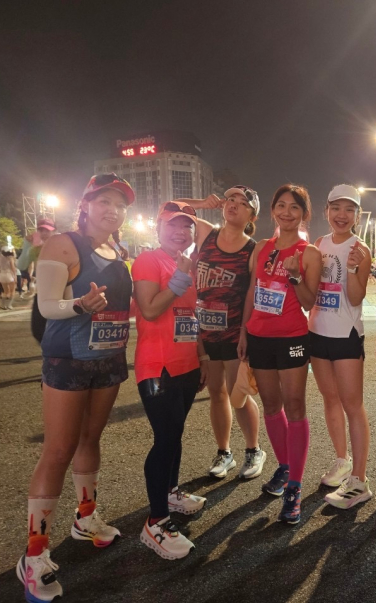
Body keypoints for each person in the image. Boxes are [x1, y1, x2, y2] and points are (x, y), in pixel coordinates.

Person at [17, 174, 134, 603]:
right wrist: (81, 304)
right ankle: (34, 553)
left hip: (108, 358)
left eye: (119, 205)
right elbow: (47, 305)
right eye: (104, 201)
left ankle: (85, 517)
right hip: (67, 360)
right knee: (58, 449)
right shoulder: (63, 245)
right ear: (85, 205)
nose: (112, 210)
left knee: (90, 439)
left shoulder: (119, 252)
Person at [238, 184, 322, 525]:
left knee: (295, 405)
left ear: (304, 214)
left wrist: (295, 276)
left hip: (292, 337)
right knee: (271, 405)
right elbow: (252, 291)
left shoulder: (309, 253)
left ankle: (295, 488)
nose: (287, 212)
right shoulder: (261, 247)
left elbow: (309, 302)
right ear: (273, 210)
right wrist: (243, 331)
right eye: (281, 205)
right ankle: (285, 467)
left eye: (294, 207)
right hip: (259, 337)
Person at [133, 201, 207, 560]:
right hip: (157, 365)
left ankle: (171, 492)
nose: (180, 232)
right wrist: (179, 279)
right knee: (164, 439)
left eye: (186, 227)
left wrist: (202, 357)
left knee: (175, 434)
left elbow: (190, 315)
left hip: (186, 364)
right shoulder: (148, 260)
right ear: (158, 229)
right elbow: (149, 309)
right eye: (172, 226)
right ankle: (156, 522)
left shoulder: (188, 262)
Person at [181, 185, 265, 481]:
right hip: (204, 330)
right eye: (230, 199)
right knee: (216, 392)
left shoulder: (252, 249)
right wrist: (201, 202)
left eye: (243, 203)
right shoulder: (206, 233)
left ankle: (254, 450)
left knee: (237, 393)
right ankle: (224, 452)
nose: (234, 204)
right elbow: (170, 209)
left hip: (233, 332)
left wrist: (245, 332)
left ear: (251, 215)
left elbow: (252, 293)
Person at [309, 184, 373, 509]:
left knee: (352, 405)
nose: (342, 215)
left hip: (346, 335)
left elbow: (357, 297)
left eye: (349, 209)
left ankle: (359, 481)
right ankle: (342, 460)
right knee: (329, 398)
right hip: (317, 332)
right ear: (326, 211)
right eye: (336, 208)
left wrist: (351, 267)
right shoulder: (318, 244)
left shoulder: (360, 249)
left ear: (357, 216)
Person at [18, 219, 57, 299]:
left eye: (47, 230)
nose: (44, 233)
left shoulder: (62, 247)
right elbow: (21, 266)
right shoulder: (35, 250)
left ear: (54, 231)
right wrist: (27, 245)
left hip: (61, 290)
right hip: (43, 292)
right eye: (41, 230)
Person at [0, 245, 18, 310]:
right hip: (9, 274)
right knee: (12, 290)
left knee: (5, 291)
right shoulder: (10, 258)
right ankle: (9, 305)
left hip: (2, 275)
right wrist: (15, 276)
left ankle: (3, 305)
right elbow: (13, 268)